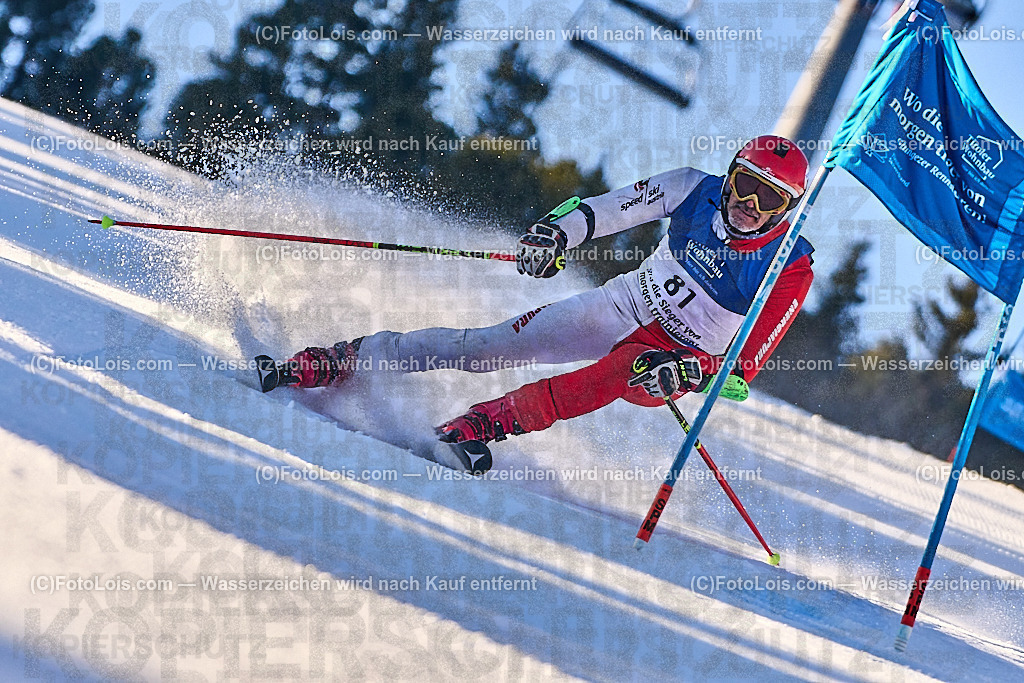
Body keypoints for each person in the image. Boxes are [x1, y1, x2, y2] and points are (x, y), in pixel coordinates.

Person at [259, 135, 815, 449]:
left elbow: (741, 373)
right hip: (623, 304)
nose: (752, 207)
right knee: (484, 347)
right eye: (746, 186)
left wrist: (695, 374)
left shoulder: (790, 264)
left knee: (623, 371)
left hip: (671, 360)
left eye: (772, 202)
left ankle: (488, 421)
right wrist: (556, 233)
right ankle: (342, 360)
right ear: (731, 174)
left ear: (789, 211)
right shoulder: (694, 187)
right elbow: (602, 210)